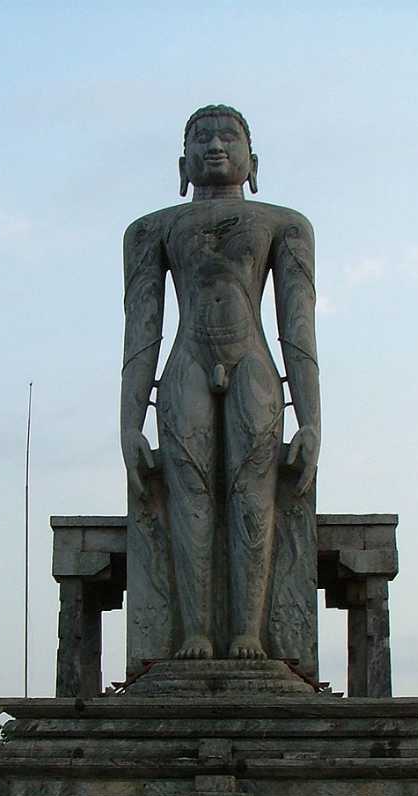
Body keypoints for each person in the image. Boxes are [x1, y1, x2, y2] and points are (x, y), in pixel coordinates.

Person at [120, 104, 321, 660]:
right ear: (182, 163)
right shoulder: (151, 230)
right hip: (186, 361)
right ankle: (195, 634)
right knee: (189, 495)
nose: (214, 146)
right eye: (201, 138)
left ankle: (250, 634)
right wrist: (129, 425)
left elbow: (298, 329)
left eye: (228, 137)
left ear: (253, 160)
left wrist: (311, 422)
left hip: (252, 362)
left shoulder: (285, 225)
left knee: (253, 496)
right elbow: (141, 331)